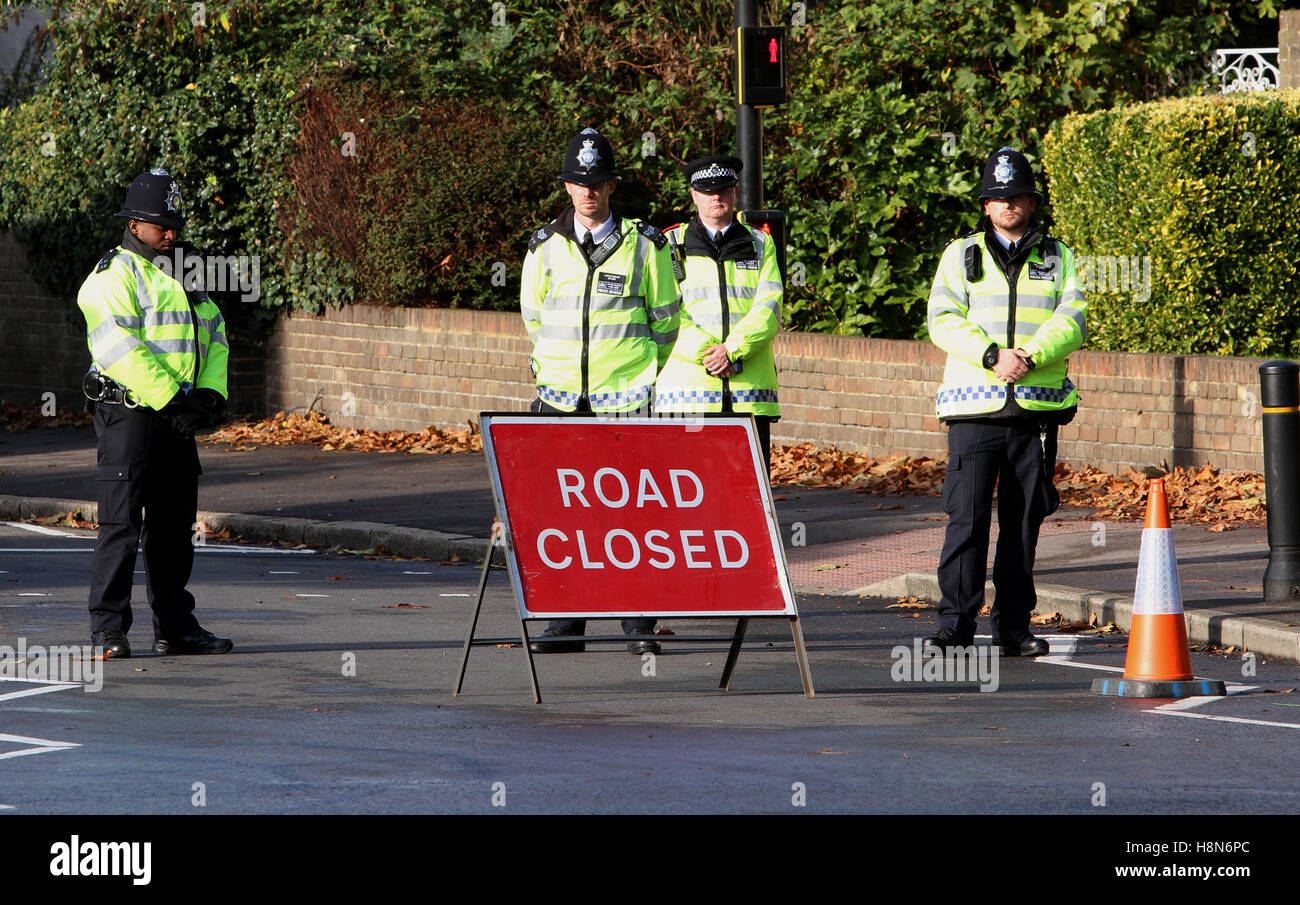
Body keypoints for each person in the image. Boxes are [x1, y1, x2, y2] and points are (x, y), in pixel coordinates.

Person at [519, 127, 679, 655]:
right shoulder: (545, 247)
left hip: (627, 400)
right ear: (566, 186)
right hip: (560, 401)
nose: (587, 192)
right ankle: (565, 627)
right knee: (560, 514)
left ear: (611, 185)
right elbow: (534, 319)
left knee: (632, 515)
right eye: (578, 182)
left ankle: (639, 628)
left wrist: (640, 377)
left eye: (597, 182)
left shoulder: (646, 246)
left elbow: (665, 324)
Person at [924, 147, 1086, 657]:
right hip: (975, 410)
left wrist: (1030, 356)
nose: (1008, 205)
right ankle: (956, 624)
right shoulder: (960, 255)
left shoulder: (1058, 255)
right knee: (966, 521)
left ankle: (1014, 628)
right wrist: (993, 355)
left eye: (1016, 196)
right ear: (986, 207)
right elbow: (942, 318)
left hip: (1035, 409)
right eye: (998, 198)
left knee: (1022, 524)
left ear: (1031, 203)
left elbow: (1073, 317)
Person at [78, 168, 233, 659]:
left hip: (176, 417)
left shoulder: (184, 272)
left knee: (173, 529)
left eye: (173, 224)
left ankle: (175, 627)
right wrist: (174, 398)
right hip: (130, 416)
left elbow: (214, 332)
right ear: (132, 225)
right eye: (159, 224)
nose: (169, 233)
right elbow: (119, 347)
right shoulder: (111, 276)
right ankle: (108, 629)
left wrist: (209, 395)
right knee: (121, 525)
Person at [653, 154, 782, 466]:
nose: (717, 198)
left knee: (748, 497)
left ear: (735, 193)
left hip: (749, 396)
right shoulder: (668, 244)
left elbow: (770, 306)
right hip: (687, 394)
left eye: (724, 190)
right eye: (708, 191)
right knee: (688, 494)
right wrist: (710, 353)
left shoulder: (760, 242)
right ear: (694, 195)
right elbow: (663, 309)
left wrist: (732, 350)